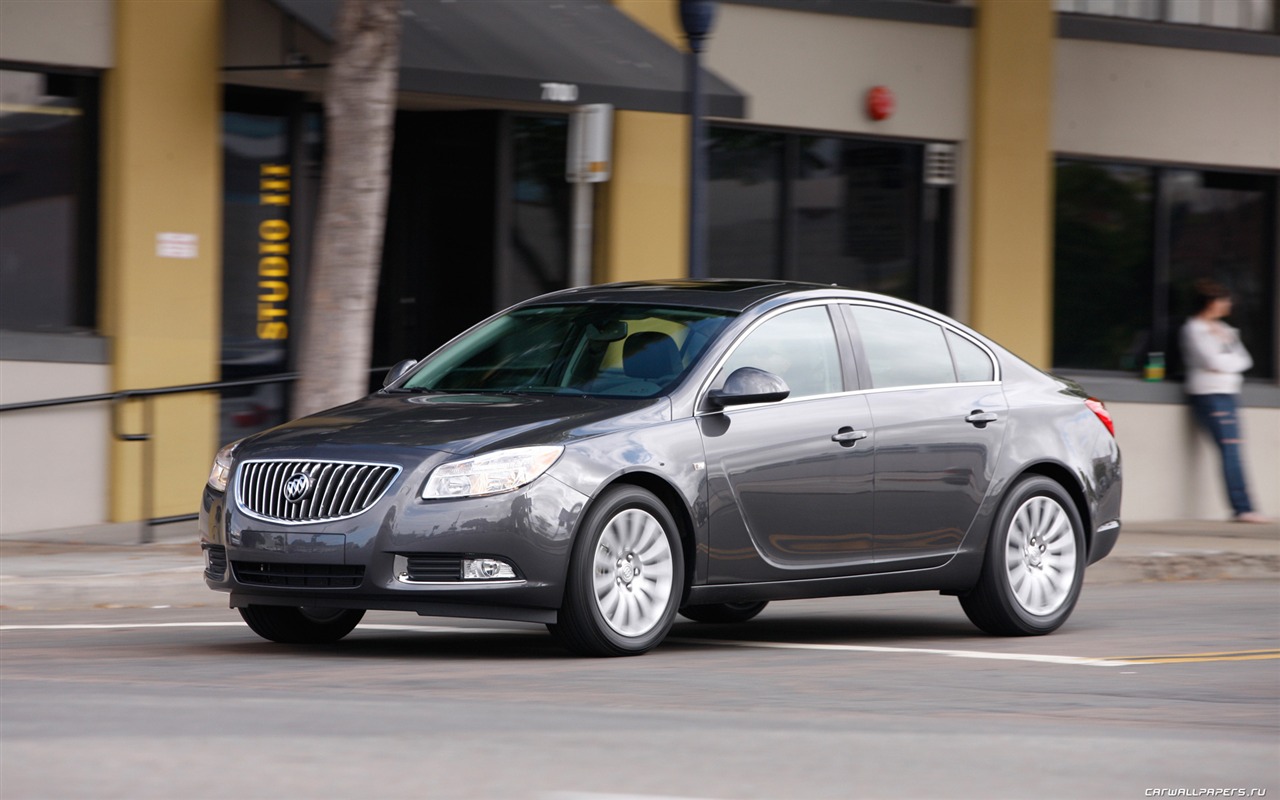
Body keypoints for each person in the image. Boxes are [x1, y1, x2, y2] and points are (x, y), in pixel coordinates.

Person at [1179, 279, 1271, 523]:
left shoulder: (1227, 330)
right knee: (1230, 449)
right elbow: (1212, 362)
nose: (1228, 304)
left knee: (1234, 449)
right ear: (1211, 303)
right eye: (1224, 299)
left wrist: (1226, 364)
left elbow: (1245, 360)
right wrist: (1227, 364)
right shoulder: (1194, 328)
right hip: (1209, 396)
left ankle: (1245, 507)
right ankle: (1242, 508)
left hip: (1229, 395)